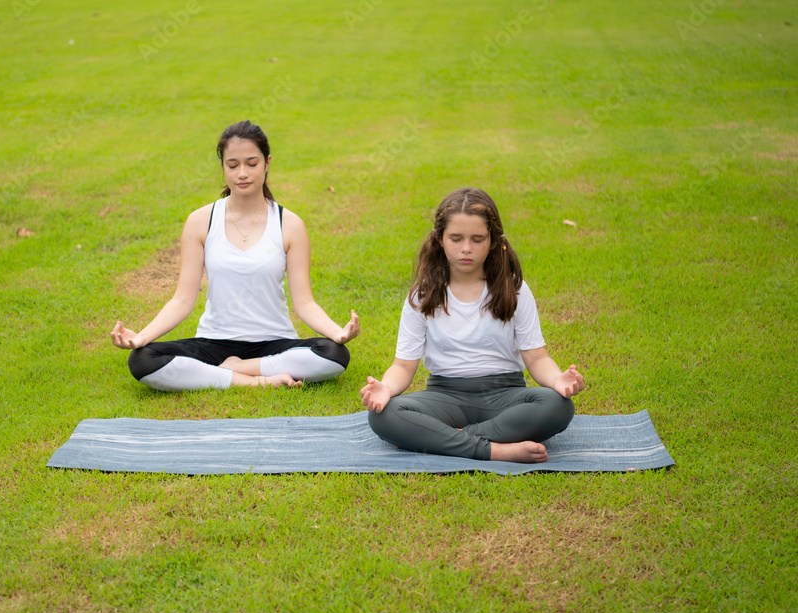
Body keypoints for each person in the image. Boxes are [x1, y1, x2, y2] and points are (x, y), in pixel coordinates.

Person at [111, 120, 359, 391]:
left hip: (274, 343)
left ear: (267, 163)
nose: (243, 173)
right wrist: (142, 338)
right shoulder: (200, 221)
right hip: (215, 342)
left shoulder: (289, 224)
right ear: (223, 167)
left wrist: (337, 332)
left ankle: (237, 369)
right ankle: (256, 382)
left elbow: (305, 303)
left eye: (252, 164)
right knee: (143, 360)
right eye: (233, 165)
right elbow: (182, 300)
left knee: (334, 354)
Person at [360, 187, 584, 463]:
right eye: (456, 238)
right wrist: (386, 388)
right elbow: (404, 366)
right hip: (445, 397)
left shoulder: (513, 288)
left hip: (506, 396)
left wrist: (557, 379)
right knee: (385, 415)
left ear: (493, 241)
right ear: (439, 239)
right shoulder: (423, 294)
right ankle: (496, 450)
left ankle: (448, 438)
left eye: (477, 239)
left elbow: (536, 357)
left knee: (557, 406)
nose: (466, 248)